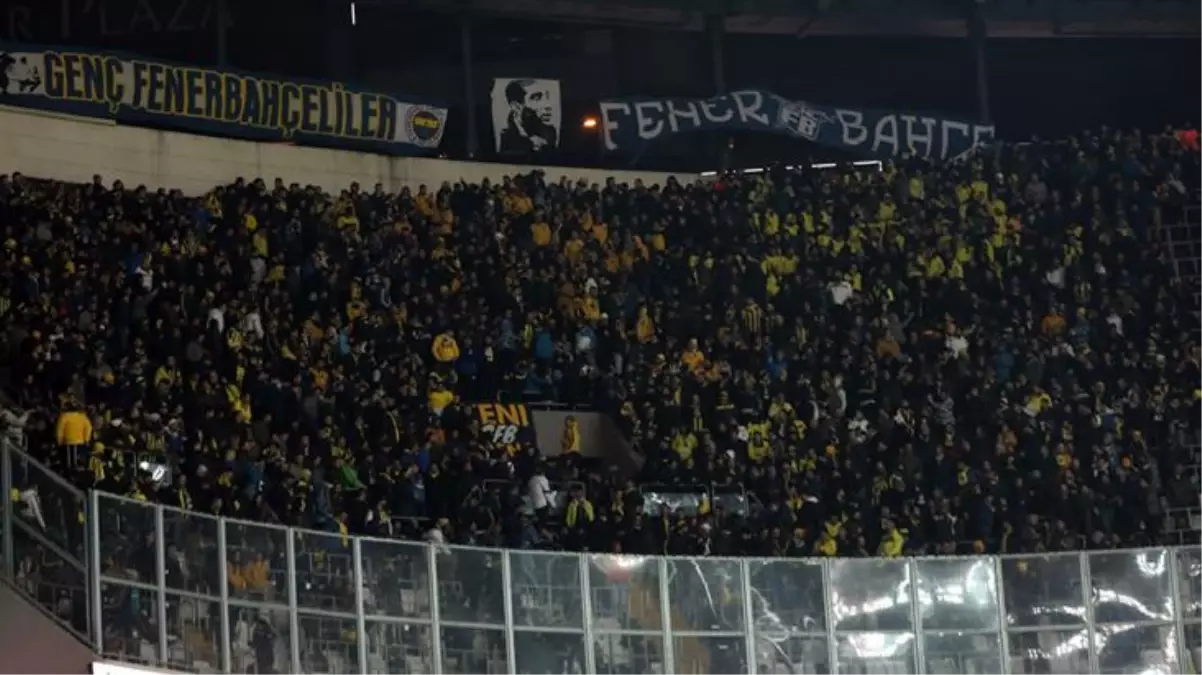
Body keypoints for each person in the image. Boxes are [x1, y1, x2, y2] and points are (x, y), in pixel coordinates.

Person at [497, 79, 559, 153]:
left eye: (546, 97)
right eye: (536, 98)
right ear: (516, 106)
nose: (547, 105)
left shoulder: (550, 132)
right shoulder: (507, 137)